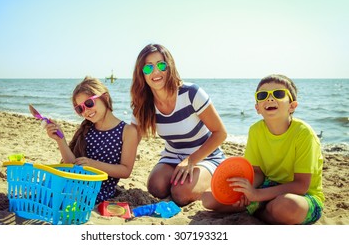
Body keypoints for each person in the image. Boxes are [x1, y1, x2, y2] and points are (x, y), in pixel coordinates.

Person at [203, 74, 324, 225]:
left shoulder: (304, 133)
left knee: (287, 206)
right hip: (267, 187)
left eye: (278, 94)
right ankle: (262, 210)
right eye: (263, 95)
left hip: (303, 196)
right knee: (208, 198)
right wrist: (247, 191)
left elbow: (301, 185)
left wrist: (258, 195)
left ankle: (259, 211)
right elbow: (257, 172)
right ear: (257, 108)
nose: (270, 98)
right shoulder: (256, 130)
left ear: (292, 106)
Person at [130, 43, 228, 206]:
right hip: (173, 156)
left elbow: (220, 133)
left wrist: (191, 161)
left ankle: (208, 179)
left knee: (181, 193)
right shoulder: (143, 104)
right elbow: (131, 140)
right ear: (141, 73)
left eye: (161, 65)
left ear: (170, 67)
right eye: (148, 68)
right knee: (156, 187)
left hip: (205, 156)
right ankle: (190, 183)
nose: (155, 72)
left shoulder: (191, 93)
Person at [45, 76, 138, 204]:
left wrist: (93, 164)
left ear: (105, 97)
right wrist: (60, 140)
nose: (86, 111)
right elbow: (73, 165)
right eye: (80, 108)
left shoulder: (128, 131)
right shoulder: (86, 129)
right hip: (75, 184)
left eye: (89, 103)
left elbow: (125, 170)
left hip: (97, 191)